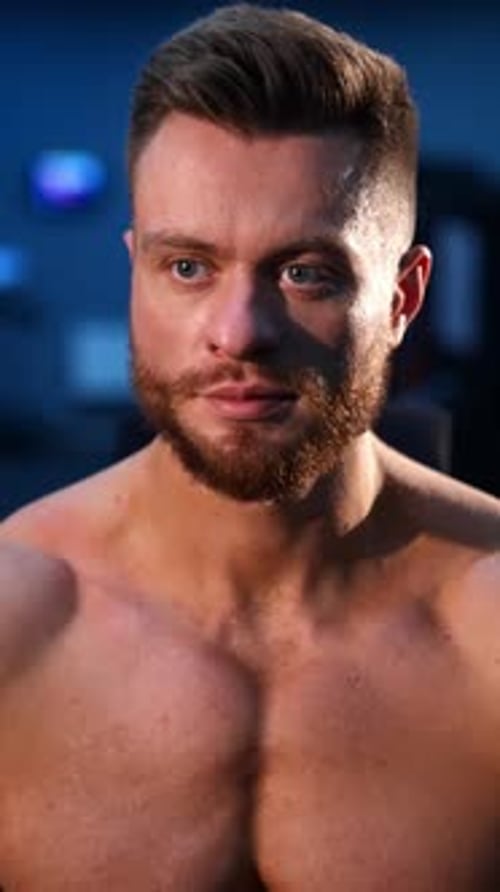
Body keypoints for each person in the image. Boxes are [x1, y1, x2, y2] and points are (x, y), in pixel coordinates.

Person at [0, 5, 499, 890]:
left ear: (403, 296)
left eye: (305, 271)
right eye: (187, 267)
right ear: (136, 272)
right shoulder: (14, 616)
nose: (238, 332)